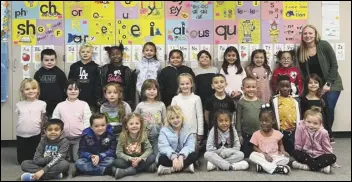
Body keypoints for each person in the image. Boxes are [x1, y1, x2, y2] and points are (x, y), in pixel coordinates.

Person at [297, 24, 343, 140]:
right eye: (305, 33)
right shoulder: (301, 50)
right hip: (314, 85)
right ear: (302, 36)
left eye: (310, 33)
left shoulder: (324, 45)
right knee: (314, 109)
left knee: (328, 107)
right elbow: (303, 72)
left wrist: (328, 84)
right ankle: (315, 134)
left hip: (332, 83)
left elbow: (334, 65)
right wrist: (308, 87)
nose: (308, 36)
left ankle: (327, 134)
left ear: (315, 34)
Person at [52, 79, 92, 162]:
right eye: (70, 89)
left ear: (79, 90)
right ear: (65, 90)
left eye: (76, 89)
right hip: (63, 139)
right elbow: (55, 121)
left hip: (79, 138)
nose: (73, 91)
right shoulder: (60, 105)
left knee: (76, 159)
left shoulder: (84, 104)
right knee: (63, 159)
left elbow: (87, 121)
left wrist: (83, 133)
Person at [292, 107, 337, 174]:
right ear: (304, 120)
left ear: (320, 123)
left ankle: (305, 166)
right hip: (306, 154)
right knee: (294, 152)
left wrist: (332, 160)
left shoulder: (323, 132)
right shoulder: (300, 128)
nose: (311, 125)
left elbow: (327, 146)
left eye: (315, 123)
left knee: (333, 157)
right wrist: (298, 154)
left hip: (319, 155)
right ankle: (320, 168)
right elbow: (298, 143)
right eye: (309, 122)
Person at [249, 104, 291, 175]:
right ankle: (275, 168)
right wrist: (264, 155)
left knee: (286, 159)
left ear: (273, 121)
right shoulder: (256, 134)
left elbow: (280, 144)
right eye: (262, 121)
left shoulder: (277, 133)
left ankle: (263, 167)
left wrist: (283, 151)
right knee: (252, 155)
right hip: (262, 156)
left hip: (275, 157)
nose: (264, 123)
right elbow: (255, 147)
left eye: (267, 121)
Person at [157, 106, 197, 175]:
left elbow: (190, 145)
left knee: (194, 155)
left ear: (182, 117)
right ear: (168, 120)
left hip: (183, 156)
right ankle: (185, 167)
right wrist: (174, 157)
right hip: (170, 156)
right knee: (161, 158)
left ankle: (169, 169)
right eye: (172, 118)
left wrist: (181, 156)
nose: (175, 120)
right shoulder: (164, 130)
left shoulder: (188, 128)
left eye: (177, 117)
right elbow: (164, 146)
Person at [113, 113, 155, 179]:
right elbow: (118, 152)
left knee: (152, 157)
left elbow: (149, 149)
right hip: (128, 160)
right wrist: (130, 158)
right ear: (126, 126)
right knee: (117, 162)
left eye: (137, 123)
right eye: (131, 124)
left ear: (141, 125)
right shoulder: (123, 136)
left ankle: (129, 171)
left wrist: (140, 158)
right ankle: (145, 168)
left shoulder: (143, 135)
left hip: (140, 159)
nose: (134, 126)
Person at [134, 79, 166, 160]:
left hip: (158, 136)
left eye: (154, 89)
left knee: (158, 155)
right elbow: (134, 119)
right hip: (144, 136)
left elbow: (165, 120)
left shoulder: (161, 105)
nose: (152, 91)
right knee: (144, 155)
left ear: (157, 91)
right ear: (143, 91)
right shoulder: (140, 105)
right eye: (149, 89)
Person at [171, 73, 204, 153]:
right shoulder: (175, 99)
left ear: (191, 84)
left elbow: (200, 116)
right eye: (182, 84)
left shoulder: (196, 98)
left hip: (192, 132)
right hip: (178, 131)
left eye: (187, 83)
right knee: (180, 151)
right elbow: (171, 116)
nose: (185, 86)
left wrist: (200, 132)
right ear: (179, 85)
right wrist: (172, 131)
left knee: (192, 152)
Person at [16, 78, 46, 164]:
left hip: (35, 134)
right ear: (23, 91)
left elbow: (42, 118)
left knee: (35, 159)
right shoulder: (19, 104)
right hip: (21, 134)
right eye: (27, 89)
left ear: (37, 90)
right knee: (21, 161)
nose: (31, 91)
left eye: (33, 88)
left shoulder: (42, 104)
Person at [236, 77, 265, 158]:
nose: (251, 89)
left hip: (259, 134)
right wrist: (239, 134)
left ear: (257, 88)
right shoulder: (241, 103)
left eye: (253, 87)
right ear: (243, 88)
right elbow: (238, 119)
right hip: (246, 134)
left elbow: (264, 120)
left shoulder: (261, 102)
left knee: (259, 153)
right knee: (246, 155)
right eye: (248, 87)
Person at [34, 49, 67, 118]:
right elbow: (35, 89)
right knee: (44, 125)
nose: (49, 62)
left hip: (57, 105)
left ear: (55, 60)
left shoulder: (60, 73)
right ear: (41, 60)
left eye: (52, 60)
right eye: (46, 60)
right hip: (42, 104)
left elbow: (65, 89)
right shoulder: (38, 73)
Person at [68, 43, 101, 112]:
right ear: (79, 53)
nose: (85, 54)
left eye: (88, 52)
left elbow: (98, 85)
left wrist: (97, 98)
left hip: (91, 101)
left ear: (92, 53)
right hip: (76, 99)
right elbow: (69, 83)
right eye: (83, 52)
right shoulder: (74, 66)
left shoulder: (96, 67)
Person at [272, 75, 300, 155]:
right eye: (282, 86)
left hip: (292, 131)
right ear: (278, 87)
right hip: (281, 131)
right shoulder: (275, 100)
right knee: (280, 150)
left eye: (287, 86)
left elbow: (298, 115)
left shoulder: (295, 100)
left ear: (290, 87)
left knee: (293, 151)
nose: (285, 88)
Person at [300, 74, 333, 141]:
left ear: (319, 84)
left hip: (321, 127)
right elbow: (302, 116)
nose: (313, 84)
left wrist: (329, 132)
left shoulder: (322, 98)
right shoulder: (303, 99)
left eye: (316, 82)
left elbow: (327, 115)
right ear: (306, 85)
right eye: (310, 83)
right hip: (309, 128)